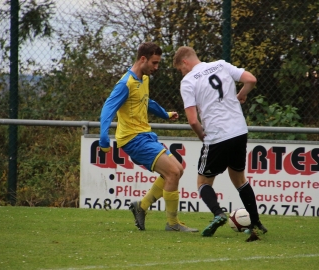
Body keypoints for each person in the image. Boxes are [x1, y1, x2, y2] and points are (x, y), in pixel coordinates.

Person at [99, 42, 198, 233]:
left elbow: (146, 101)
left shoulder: (143, 79)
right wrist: (103, 138)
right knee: (173, 173)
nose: (156, 67)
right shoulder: (125, 84)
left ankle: (141, 207)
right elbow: (107, 109)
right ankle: (172, 223)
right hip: (133, 139)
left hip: (146, 135)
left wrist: (165, 114)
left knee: (178, 170)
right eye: (154, 63)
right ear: (143, 59)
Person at [173, 46, 267, 241]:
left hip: (217, 135)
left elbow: (192, 120)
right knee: (240, 179)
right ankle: (255, 222)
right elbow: (251, 79)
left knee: (203, 182)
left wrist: (201, 135)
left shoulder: (188, 81)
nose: (182, 73)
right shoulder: (221, 65)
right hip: (239, 131)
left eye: (180, 69)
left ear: (185, 62)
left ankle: (218, 213)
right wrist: (241, 95)